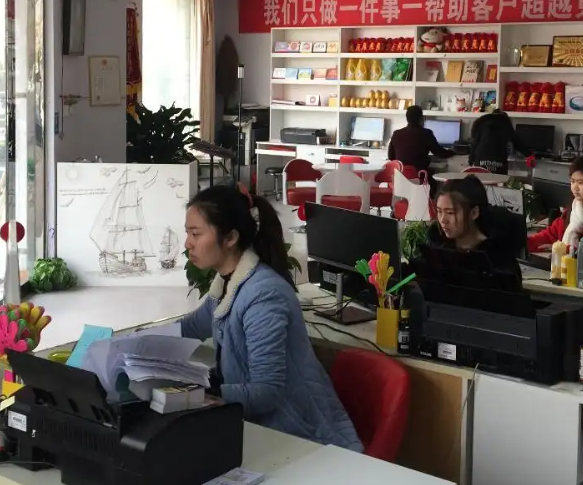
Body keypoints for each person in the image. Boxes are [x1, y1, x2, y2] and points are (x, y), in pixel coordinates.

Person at [179, 185, 362, 452]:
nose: (188, 243)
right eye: (188, 233)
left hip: (301, 437)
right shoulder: (227, 285)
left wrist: (204, 391)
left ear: (230, 237)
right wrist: (132, 345)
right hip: (260, 431)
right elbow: (189, 328)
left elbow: (266, 392)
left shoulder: (263, 295)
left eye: (196, 234)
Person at [426, 175, 523, 280]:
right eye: (439, 211)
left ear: (474, 213)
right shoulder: (437, 248)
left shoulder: (498, 258)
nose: (443, 220)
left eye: (450, 212)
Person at [387, 105, 453, 175]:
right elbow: (440, 153)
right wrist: (454, 151)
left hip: (400, 177)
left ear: (407, 118)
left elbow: (391, 156)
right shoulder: (426, 133)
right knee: (435, 178)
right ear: (421, 118)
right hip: (419, 176)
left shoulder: (396, 133)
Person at [469, 109, 529, 175]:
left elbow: (474, 144)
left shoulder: (480, 123)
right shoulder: (505, 123)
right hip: (499, 163)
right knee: (500, 180)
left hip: (481, 162)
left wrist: (471, 160)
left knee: (481, 180)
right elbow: (516, 141)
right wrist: (529, 155)